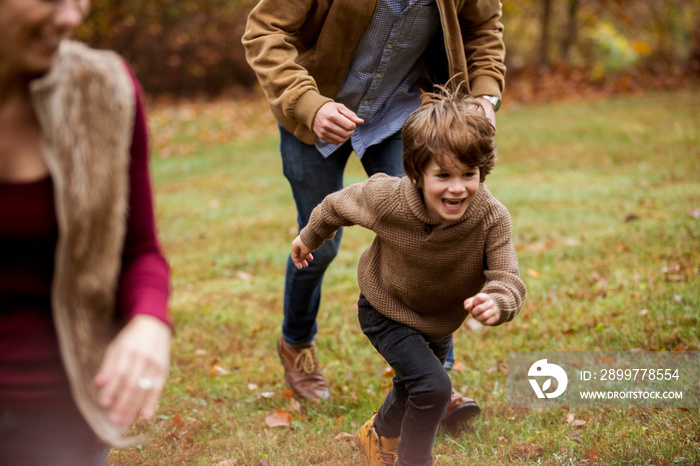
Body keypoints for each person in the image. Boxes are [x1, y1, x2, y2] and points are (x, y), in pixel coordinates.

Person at [242, 0, 506, 426]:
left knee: (431, 229)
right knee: (320, 244)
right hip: (313, 114)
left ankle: (435, 376)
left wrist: (485, 93)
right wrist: (308, 103)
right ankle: (297, 343)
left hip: (397, 113)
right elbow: (264, 32)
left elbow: (483, 27)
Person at [290, 87, 526, 466]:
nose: (457, 187)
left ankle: (376, 434)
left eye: (469, 174)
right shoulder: (389, 198)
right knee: (433, 388)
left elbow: (508, 276)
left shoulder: (491, 218)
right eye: (443, 175)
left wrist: (497, 300)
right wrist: (309, 237)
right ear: (417, 174)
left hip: (437, 321)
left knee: (414, 383)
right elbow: (337, 205)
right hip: (384, 307)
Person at [0, 0, 172, 464]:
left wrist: (149, 320)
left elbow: (139, 249)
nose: (71, 16)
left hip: (56, 413)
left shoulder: (105, 90)